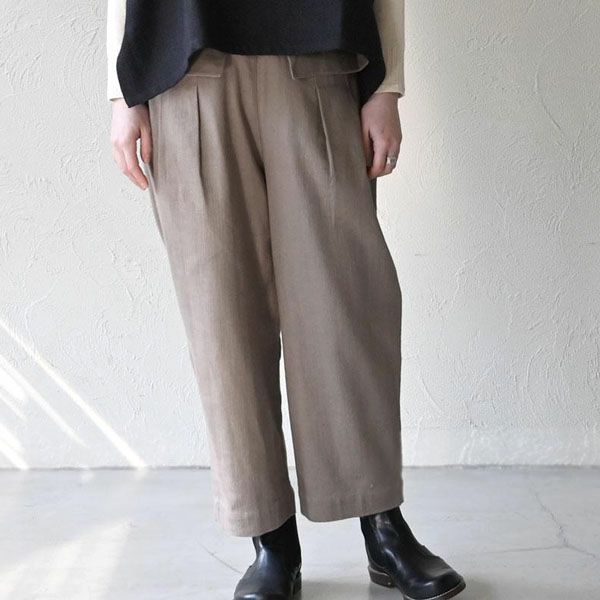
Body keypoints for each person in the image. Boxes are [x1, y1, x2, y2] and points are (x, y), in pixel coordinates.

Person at [107, 1, 466, 598]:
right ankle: (270, 540)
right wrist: (123, 93)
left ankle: (382, 526)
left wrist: (386, 87)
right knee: (222, 320)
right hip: (187, 73)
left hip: (318, 61)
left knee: (345, 311)